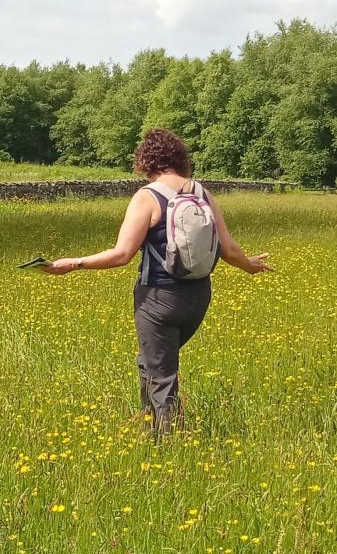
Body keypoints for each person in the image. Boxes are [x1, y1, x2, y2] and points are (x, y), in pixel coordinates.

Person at [43, 129, 273, 432]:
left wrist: (75, 263)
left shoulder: (146, 197)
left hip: (158, 299)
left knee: (162, 374)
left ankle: (171, 445)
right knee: (152, 361)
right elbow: (228, 249)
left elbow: (122, 254)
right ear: (181, 158)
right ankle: (148, 423)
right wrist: (250, 266)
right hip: (198, 297)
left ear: (145, 161)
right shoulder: (202, 193)